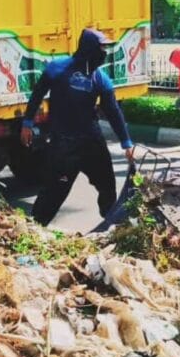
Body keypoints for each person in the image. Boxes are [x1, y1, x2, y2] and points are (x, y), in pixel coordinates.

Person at [20, 29, 135, 226]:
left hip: (92, 142)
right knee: (54, 191)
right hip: (63, 145)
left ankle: (113, 226)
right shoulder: (57, 69)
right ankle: (34, 228)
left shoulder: (100, 78)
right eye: (101, 47)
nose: (104, 52)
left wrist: (126, 142)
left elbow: (113, 111)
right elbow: (37, 94)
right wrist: (27, 123)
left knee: (107, 185)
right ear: (89, 48)